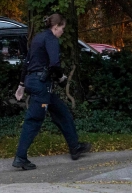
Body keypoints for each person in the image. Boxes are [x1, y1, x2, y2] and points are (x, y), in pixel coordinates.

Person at [12, 13, 92, 170]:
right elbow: (54, 63)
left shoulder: (37, 38)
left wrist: (21, 84)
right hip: (41, 86)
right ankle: (20, 157)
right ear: (56, 27)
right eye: (62, 28)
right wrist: (61, 78)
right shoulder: (51, 39)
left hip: (34, 83)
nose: (63, 31)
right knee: (33, 120)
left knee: (62, 113)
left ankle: (75, 147)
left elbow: (27, 63)